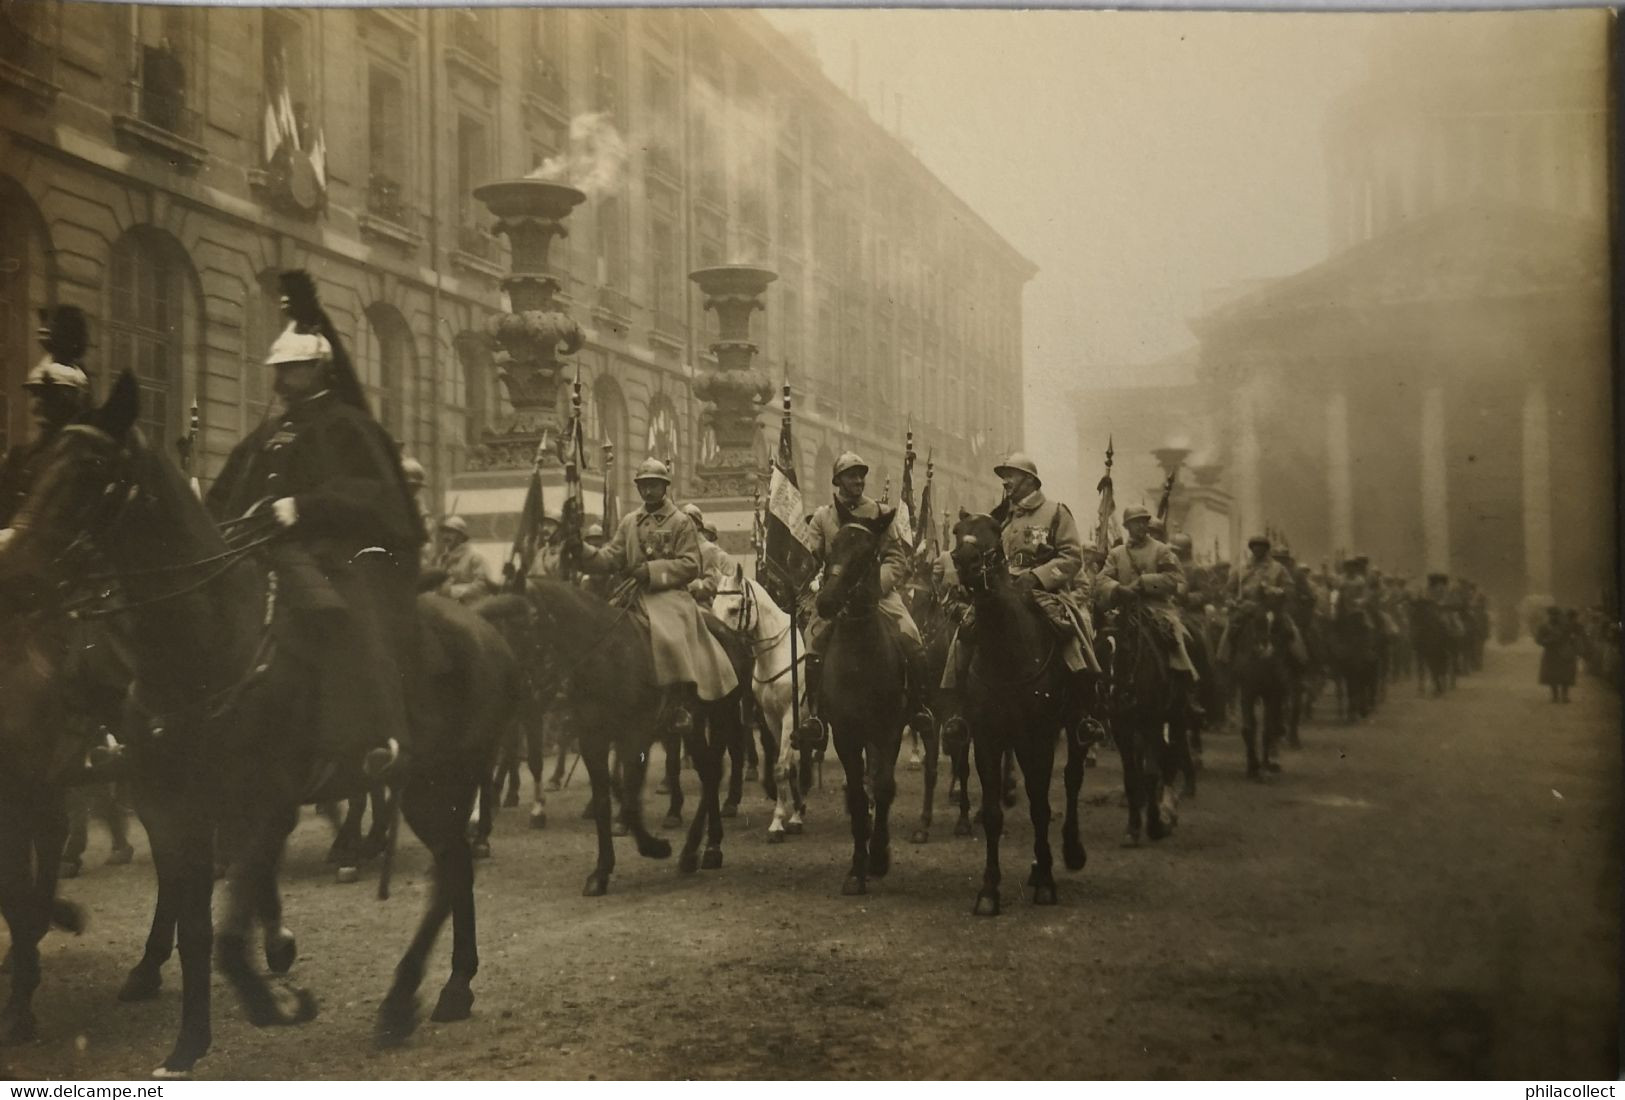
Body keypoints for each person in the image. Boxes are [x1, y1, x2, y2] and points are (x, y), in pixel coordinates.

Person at [205, 271, 423, 779]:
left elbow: (374, 492)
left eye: (294, 370)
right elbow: (227, 489)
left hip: (337, 546)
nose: (282, 381)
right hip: (260, 547)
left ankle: (379, 735)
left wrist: (303, 507)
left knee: (347, 609)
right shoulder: (269, 431)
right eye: (279, 370)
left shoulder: (350, 425)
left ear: (320, 371)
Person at [567, 458, 738, 727]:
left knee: (670, 637)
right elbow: (610, 557)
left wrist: (652, 571)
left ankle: (680, 701)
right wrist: (582, 551)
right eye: (643, 486)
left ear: (665, 487)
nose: (648, 491)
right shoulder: (629, 522)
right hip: (632, 594)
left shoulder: (681, 522)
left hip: (670, 595)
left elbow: (691, 565)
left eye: (654, 485)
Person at [801, 451, 932, 737]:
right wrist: (808, 577)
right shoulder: (823, 517)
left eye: (861, 474)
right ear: (838, 481)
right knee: (813, 643)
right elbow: (812, 557)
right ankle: (815, 716)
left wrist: (875, 588)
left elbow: (896, 558)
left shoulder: (879, 513)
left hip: (877, 595)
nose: (858, 480)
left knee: (911, 635)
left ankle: (920, 707)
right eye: (851, 475)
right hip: (836, 597)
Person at [0, 306, 95, 542]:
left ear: (72, 402)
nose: (37, 406)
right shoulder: (21, 458)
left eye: (50, 396)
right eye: (37, 394)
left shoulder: (87, 464)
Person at [1094, 505, 1202, 702]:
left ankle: (1186, 689)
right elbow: (1101, 580)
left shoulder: (1162, 550)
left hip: (1157, 608)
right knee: (1101, 641)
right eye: (1137, 522)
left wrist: (1146, 583)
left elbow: (1174, 579)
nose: (1142, 526)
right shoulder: (1116, 553)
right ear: (1127, 526)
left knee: (1179, 637)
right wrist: (1118, 588)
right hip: (1124, 609)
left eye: (1144, 522)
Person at [1218, 534, 1307, 664]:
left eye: (1261, 547)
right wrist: (1231, 600)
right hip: (1245, 608)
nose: (1257, 550)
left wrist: (1275, 591)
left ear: (1266, 549)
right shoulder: (1242, 569)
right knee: (1229, 631)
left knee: (1290, 631)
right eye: (1254, 547)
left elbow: (1290, 590)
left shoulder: (1277, 568)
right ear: (1251, 548)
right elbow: (1228, 590)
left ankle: (1297, 666)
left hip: (1271, 609)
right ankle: (1224, 664)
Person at [681, 502, 733, 606]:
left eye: (688, 522)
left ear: (698, 525)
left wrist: (692, 586)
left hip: (701, 605)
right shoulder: (680, 548)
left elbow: (712, 583)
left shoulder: (709, 549)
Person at [431, 515, 492, 603]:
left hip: (467, 608)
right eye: (444, 532)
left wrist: (453, 591)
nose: (446, 536)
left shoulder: (475, 556)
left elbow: (483, 586)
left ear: (461, 536)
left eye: (451, 532)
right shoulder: (442, 559)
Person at [1536, 606, 1578, 702]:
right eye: (1552, 615)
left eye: (1556, 614)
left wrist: (1571, 643)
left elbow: (1573, 636)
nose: (1554, 617)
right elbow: (1538, 639)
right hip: (1551, 653)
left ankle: (1565, 696)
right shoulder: (1544, 626)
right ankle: (1555, 696)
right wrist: (1547, 641)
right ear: (1549, 615)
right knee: (1552, 675)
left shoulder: (1566, 625)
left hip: (1564, 652)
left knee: (1565, 674)